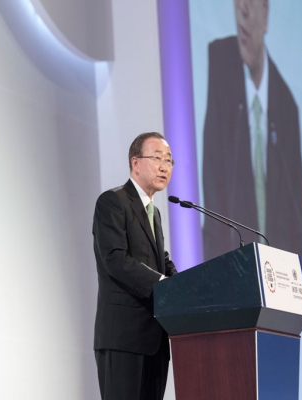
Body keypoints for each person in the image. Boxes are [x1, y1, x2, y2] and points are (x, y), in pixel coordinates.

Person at [202, 0, 302, 293]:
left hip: (279, 282)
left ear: (266, 12)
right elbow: (212, 187)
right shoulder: (221, 65)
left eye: (251, 2)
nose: (243, 11)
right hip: (234, 277)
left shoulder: (286, 106)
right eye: (237, 3)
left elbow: (297, 211)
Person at [92, 132, 178, 400]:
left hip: (155, 340)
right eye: (158, 158)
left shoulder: (155, 213)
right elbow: (115, 259)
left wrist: (184, 286)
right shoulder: (113, 201)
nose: (164, 167)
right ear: (136, 162)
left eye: (169, 161)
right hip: (123, 337)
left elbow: (161, 260)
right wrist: (163, 284)